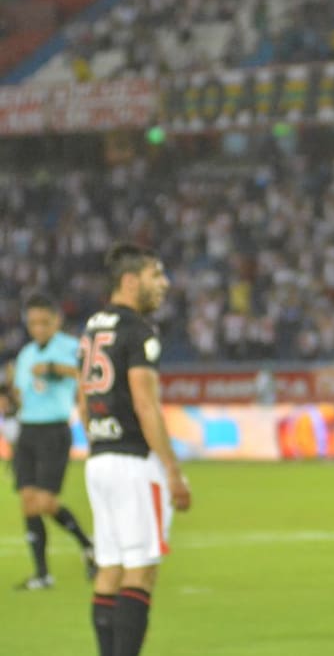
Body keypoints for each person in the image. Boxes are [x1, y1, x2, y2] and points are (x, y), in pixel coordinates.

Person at [80, 243, 191, 656]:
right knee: (140, 572)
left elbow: (82, 399)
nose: (164, 284)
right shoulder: (138, 331)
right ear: (130, 281)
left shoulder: (92, 327)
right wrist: (173, 470)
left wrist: (99, 438)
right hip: (133, 463)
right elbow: (146, 405)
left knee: (110, 569)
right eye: (155, 275)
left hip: (100, 458)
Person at [10, 293, 96, 590]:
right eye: (33, 323)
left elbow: (83, 373)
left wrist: (52, 369)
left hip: (54, 430)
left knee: (46, 502)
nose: (38, 328)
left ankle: (88, 545)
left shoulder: (70, 347)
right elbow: (20, 391)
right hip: (28, 431)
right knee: (28, 502)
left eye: (44, 322)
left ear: (56, 321)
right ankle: (42, 574)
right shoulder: (26, 354)